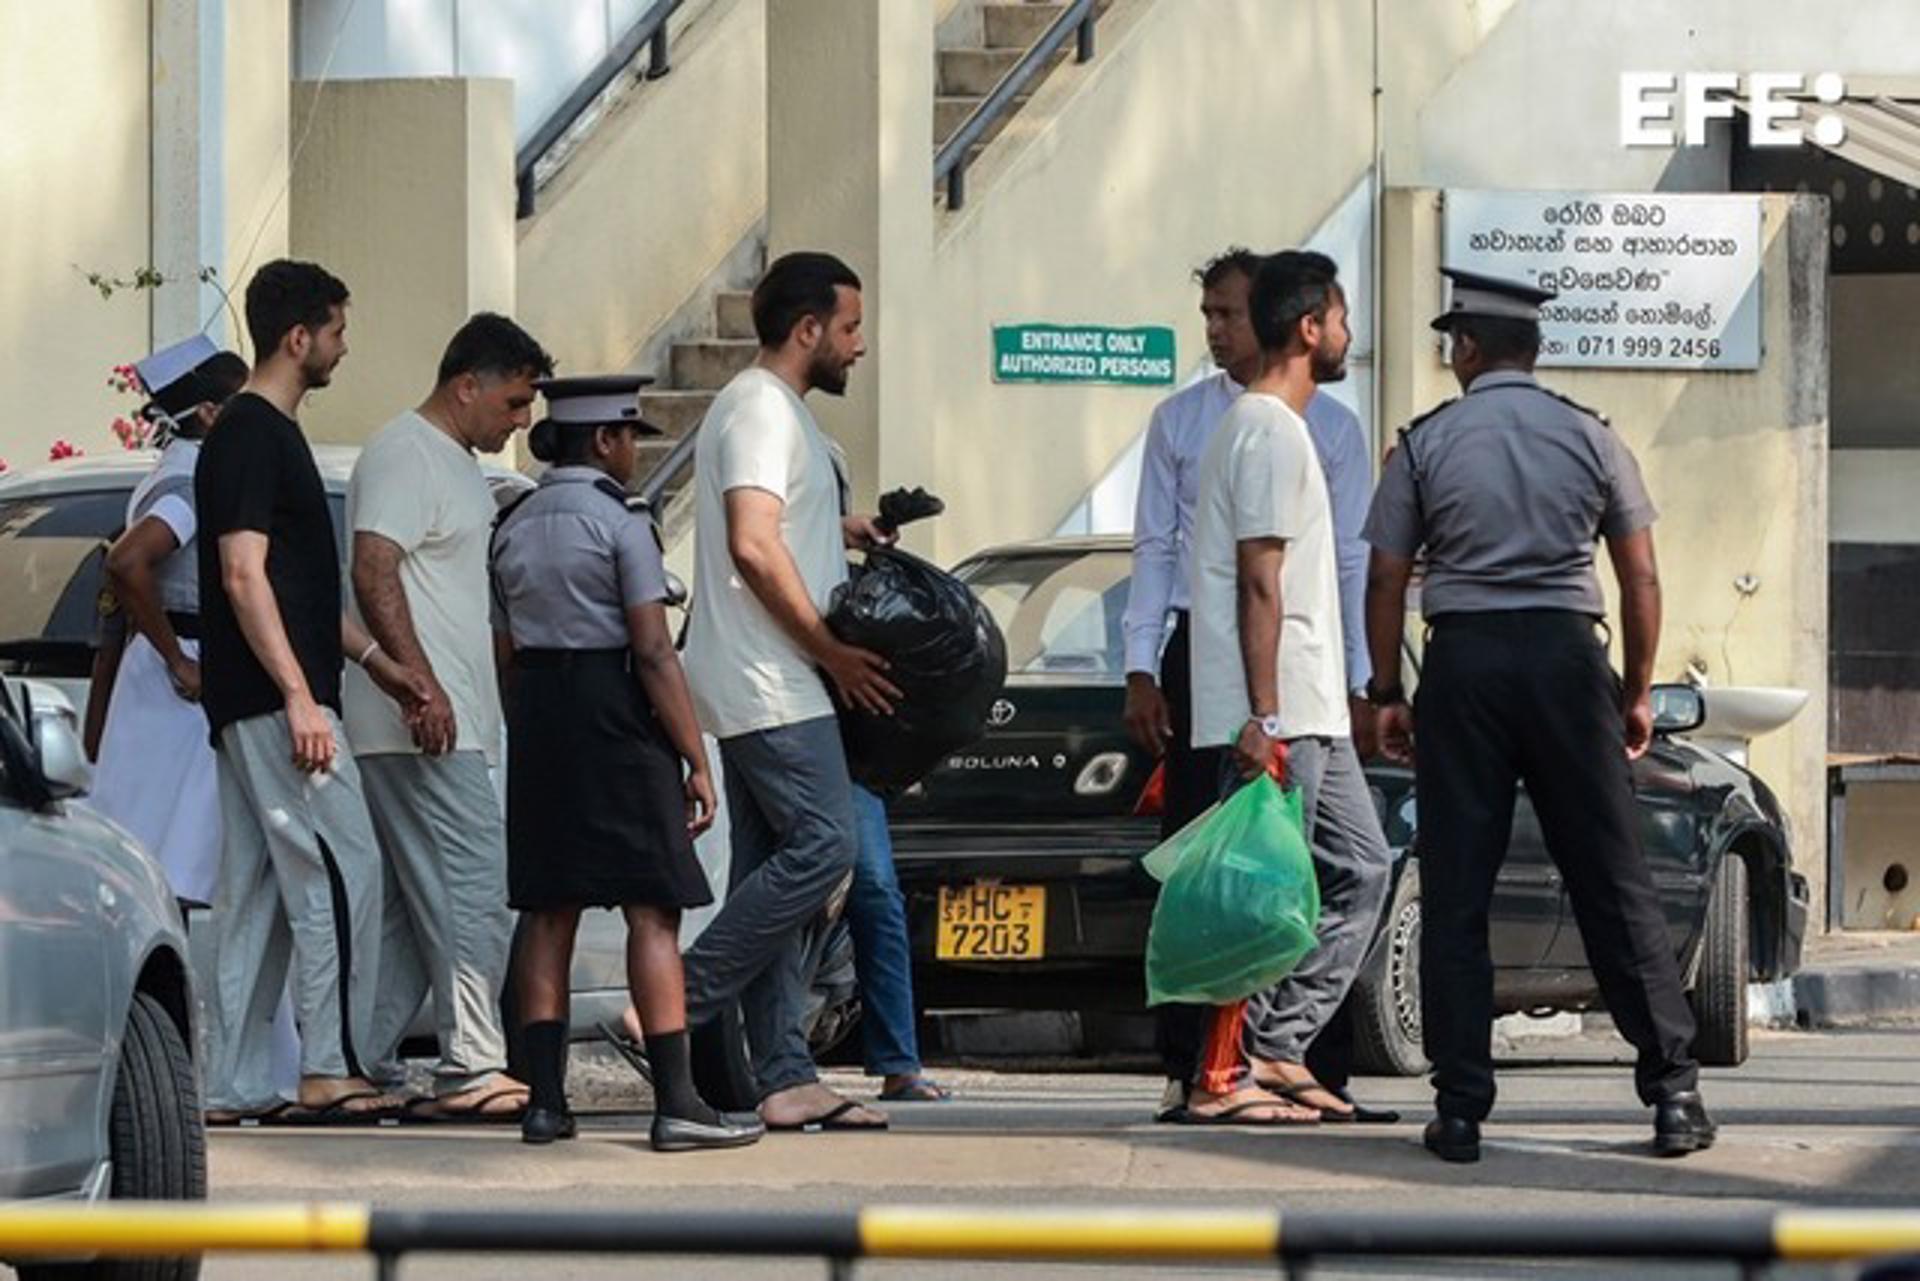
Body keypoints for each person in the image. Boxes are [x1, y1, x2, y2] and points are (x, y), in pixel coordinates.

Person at [1362, 267, 1716, 1163]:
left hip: (1467, 663)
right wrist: (1634, 691)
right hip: (1566, 659)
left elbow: (1385, 577)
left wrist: (1387, 692)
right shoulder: (1592, 438)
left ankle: (1460, 1109)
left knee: (1457, 890)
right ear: (1536, 348)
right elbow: (1640, 577)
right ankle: (1673, 1094)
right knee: (1611, 874)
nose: (1449, 359)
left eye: (1452, 346)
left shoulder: (1425, 443)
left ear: (1470, 349)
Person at [1122, 248, 1388, 1124]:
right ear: (1310, 327)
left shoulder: (1277, 426)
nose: (1349, 335)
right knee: (1264, 889)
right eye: (1341, 319)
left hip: (1313, 702)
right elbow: (1259, 580)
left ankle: (1276, 1045)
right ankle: (1220, 1076)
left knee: (1360, 866)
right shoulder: (1270, 431)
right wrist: (1263, 716)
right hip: (1279, 707)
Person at [491, 374, 761, 1152]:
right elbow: (651, 646)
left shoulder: (511, 523)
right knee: (653, 906)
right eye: (630, 437)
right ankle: (678, 1101)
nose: (635, 451)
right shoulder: (621, 523)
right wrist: (693, 756)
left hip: (541, 711)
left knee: (548, 909)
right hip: (616, 709)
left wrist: (533, 725)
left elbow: (505, 650)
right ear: (605, 440)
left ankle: (545, 1101)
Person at [196, 259, 426, 1125]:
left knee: (255, 891)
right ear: (300, 337)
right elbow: (243, 573)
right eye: (336, 332)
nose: (342, 348)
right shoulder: (254, 433)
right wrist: (299, 696)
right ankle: (329, 1064)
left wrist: (378, 664)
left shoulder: (258, 433)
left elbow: (294, 588)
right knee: (342, 869)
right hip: (275, 705)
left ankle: (233, 1081)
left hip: (256, 701)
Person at [679, 251, 896, 1132]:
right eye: (849, 329)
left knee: (773, 869)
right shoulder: (760, 408)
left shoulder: (776, 416)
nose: (859, 345)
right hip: (774, 680)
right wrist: (834, 653)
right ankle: (677, 999)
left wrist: (841, 526)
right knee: (825, 847)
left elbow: (780, 525)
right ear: (807, 330)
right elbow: (752, 545)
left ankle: (782, 1072)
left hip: (771, 677)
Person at [347, 314, 553, 1122]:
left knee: (410, 909)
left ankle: (355, 1062)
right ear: (466, 385)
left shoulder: (456, 464)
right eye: (512, 402)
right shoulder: (406, 451)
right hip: (425, 723)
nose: (520, 422)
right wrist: (419, 687)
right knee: (474, 887)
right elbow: (373, 566)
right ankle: (471, 1063)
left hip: (440, 718)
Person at [89, 334, 247, 911]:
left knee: (147, 850)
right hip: (181, 683)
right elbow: (127, 562)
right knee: (181, 858)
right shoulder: (192, 484)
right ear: (208, 414)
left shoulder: (176, 468)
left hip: (160, 679)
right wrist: (177, 658)